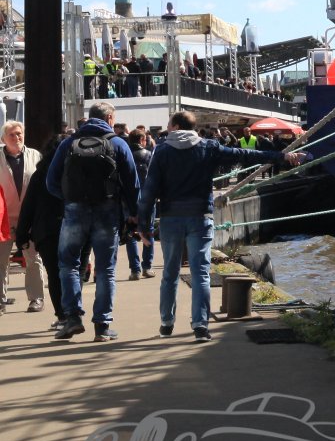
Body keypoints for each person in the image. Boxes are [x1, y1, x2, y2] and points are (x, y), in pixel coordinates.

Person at [138, 110, 308, 341]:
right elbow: (245, 155)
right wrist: (282, 157)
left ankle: (166, 324)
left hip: (171, 217)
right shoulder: (208, 147)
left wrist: (144, 225)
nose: (167, 128)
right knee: (201, 273)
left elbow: (149, 191)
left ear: (175, 126)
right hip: (201, 216)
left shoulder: (162, 151)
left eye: (169, 124)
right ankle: (200, 326)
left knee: (170, 273)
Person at [45, 102, 141, 341]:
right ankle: (102, 326)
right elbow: (133, 184)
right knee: (106, 269)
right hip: (107, 212)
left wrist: (69, 199)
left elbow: (51, 181)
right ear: (109, 119)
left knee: (68, 264)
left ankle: (72, 318)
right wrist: (133, 213)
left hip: (74, 211)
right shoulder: (118, 143)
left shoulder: (69, 143)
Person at [14, 132, 72, 328]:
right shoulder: (76, 171)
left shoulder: (41, 174)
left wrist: (22, 234)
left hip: (47, 231)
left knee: (54, 274)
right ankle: (73, 312)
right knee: (73, 272)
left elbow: (28, 206)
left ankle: (63, 316)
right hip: (74, 227)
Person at [1, 120, 47, 313]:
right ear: (3, 139)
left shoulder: (35, 155)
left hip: (29, 218)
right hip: (3, 219)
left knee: (33, 259)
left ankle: (36, 298)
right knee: (1, 261)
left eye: (19, 133)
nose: (16, 137)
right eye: (11, 135)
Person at [123, 129, 154, 280]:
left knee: (131, 233)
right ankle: (147, 267)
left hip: (129, 199)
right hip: (147, 199)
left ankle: (135, 270)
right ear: (142, 140)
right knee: (148, 231)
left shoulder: (125, 155)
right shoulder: (149, 155)